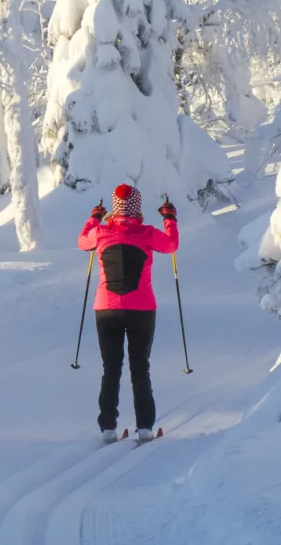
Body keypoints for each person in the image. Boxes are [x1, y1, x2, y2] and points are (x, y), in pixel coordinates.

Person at [77, 183, 178, 444]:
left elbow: (82, 242)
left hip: (106, 308)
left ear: (114, 206)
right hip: (141, 309)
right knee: (139, 368)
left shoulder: (100, 232)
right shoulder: (147, 233)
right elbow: (171, 245)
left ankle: (108, 428)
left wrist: (94, 217)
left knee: (110, 367)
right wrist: (169, 218)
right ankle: (144, 427)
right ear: (137, 207)